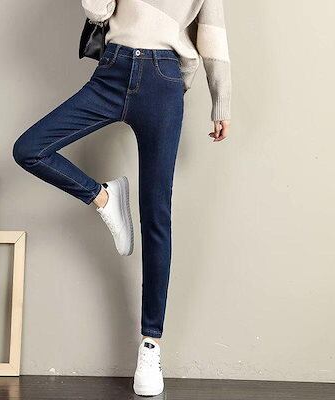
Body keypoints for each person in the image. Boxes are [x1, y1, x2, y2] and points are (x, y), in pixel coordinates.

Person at [13, 0, 231, 396]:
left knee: (156, 216)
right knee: (30, 149)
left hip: (164, 79)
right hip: (113, 69)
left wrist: (221, 101)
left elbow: (212, 32)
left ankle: (150, 346)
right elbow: (98, 11)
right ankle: (104, 198)